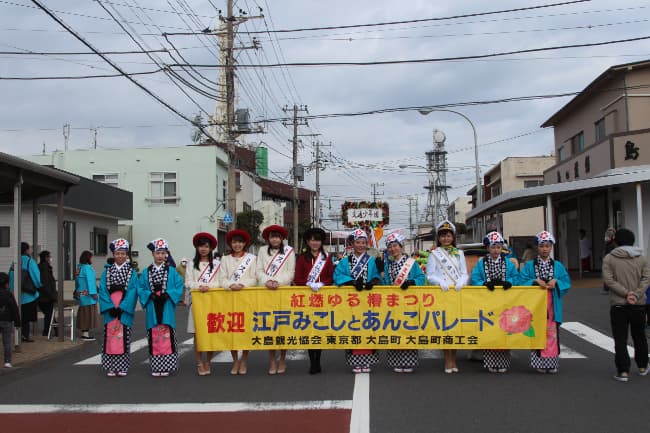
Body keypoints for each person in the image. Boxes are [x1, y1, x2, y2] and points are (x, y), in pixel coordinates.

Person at [518, 231, 571, 374]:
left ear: (551, 247)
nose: (545, 249)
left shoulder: (558, 266)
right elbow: (521, 282)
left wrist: (556, 281)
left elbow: (566, 282)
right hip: (536, 303)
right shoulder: (530, 265)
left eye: (547, 246)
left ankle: (552, 362)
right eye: (541, 246)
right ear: (537, 247)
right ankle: (539, 362)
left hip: (552, 302)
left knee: (552, 331)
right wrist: (534, 281)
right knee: (536, 330)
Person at [601, 228, 650, 382]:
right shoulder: (642, 258)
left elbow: (608, 280)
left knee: (620, 338)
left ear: (616, 241)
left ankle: (623, 371)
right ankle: (642, 366)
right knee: (639, 336)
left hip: (618, 304)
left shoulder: (609, 258)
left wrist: (625, 293)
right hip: (638, 303)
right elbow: (646, 279)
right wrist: (635, 294)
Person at [470, 231, 520, 373]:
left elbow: (516, 277)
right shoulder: (481, 263)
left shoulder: (508, 263)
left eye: (498, 247)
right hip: (487, 301)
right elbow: (475, 278)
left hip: (505, 301)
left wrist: (508, 282)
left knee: (504, 328)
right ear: (488, 248)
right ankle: (491, 360)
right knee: (490, 328)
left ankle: (503, 360)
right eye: (493, 247)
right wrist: (484, 284)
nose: (496, 250)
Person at [334, 228, 382, 373]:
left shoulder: (371, 260)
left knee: (368, 327)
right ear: (352, 244)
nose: (360, 245)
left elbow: (377, 277)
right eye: (358, 242)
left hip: (368, 299)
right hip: (351, 300)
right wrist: (352, 282)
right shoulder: (345, 261)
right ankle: (355, 361)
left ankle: (367, 361)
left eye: (363, 242)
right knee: (353, 328)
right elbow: (338, 276)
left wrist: (372, 281)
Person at [426, 220, 469, 373]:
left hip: (456, 293)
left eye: (448, 235)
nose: (446, 238)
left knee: (456, 327)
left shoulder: (460, 253)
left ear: (453, 237)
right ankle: (447, 360)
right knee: (445, 327)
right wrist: (439, 282)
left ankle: (454, 359)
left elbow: (464, 272)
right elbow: (430, 274)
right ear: (438, 238)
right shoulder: (434, 254)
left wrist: (462, 282)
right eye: (443, 236)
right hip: (442, 293)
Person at [138, 238, 184, 377]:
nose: (160, 255)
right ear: (153, 254)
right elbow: (140, 287)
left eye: (163, 253)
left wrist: (168, 294)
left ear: (166, 255)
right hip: (152, 305)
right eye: (157, 253)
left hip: (166, 305)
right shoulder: (146, 272)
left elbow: (179, 286)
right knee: (154, 335)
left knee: (167, 334)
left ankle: (168, 365)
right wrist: (149, 294)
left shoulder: (172, 271)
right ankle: (156, 366)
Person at [294, 227, 334, 374]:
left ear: (321, 241)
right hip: (307, 299)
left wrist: (322, 283)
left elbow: (331, 276)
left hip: (323, 298)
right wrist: (308, 283)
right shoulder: (302, 258)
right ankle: (313, 361)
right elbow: (297, 278)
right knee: (310, 329)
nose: (314, 242)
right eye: (311, 240)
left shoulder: (327, 258)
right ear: (307, 241)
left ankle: (318, 359)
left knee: (320, 329)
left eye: (317, 239)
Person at [256, 225, 295, 375]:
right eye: (272, 236)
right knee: (270, 326)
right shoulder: (261, 251)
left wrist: (278, 282)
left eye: (277, 236)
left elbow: (291, 272)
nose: (275, 239)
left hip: (283, 291)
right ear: (268, 238)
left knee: (283, 326)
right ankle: (272, 360)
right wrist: (267, 281)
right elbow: (258, 270)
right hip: (267, 291)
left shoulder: (289, 251)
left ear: (282, 238)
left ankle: (283, 359)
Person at [383, 232, 425, 373]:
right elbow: (386, 283)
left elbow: (421, 278)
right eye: (390, 247)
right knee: (395, 329)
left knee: (408, 330)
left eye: (395, 246)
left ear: (401, 247)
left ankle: (409, 361)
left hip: (409, 302)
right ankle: (396, 360)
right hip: (394, 303)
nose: (393, 249)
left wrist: (413, 281)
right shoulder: (387, 265)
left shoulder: (411, 263)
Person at [218, 229, 257, 375]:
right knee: (232, 330)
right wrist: (230, 285)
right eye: (234, 242)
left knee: (245, 330)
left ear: (245, 243)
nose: (237, 245)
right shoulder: (224, 259)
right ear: (231, 243)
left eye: (240, 242)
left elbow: (254, 278)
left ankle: (244, 360)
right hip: (229, 298)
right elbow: (221, 278)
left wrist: (242, 285)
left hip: (245, 297)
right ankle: (235, 361)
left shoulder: (252, 258)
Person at [98, 239, 139, 377]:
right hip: (111, 307)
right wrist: (109, 306)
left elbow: (133, 290)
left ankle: (122, 366)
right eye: (118, 253)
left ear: (127, 255)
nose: (120, 256)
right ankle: (110, 366)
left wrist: (123, 306)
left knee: (124, 336)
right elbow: (103, 289)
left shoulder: (131, 272)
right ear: (113, 254)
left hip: (123, 307)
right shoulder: (107, 271)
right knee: (109, 336)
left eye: (123, 253)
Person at [186, 232, 220, 376]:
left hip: (212, 303)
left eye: (206, 246)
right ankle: (199, 362)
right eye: (201, 246)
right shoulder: (191, 264)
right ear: (197, 248)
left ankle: (208, 362)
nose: (203, 249)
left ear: (211, 248)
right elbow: (188, 282)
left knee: (210, 333)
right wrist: (200, 286)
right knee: (198, 335)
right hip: (197, 303)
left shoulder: (218, 264)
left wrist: (209, 287)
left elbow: (220, 282)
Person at [8, 242, 41, 342]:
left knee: (19, 315)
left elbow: (10, 275)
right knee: (27, 317)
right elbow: (36, 277)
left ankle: (20, 335)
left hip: (16, 293)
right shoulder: (29, 261)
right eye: (30, 248)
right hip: (28, 294)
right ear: (26, 250)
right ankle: (25, 335)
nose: (31, 250)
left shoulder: (15, 262)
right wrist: (38, 286)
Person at [75, 250, 99, 342]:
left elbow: (77, 282)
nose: (92, 259)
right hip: (88, 295)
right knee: (88, 315)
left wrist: (76, 291)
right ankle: (85, 334)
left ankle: (84, 333)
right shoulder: (88, 268)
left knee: (83, 314)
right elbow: (90, 282)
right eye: (91, 257)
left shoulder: (79, 268)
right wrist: (94, 293)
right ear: (88, 258)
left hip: (81, 293)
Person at [0, 272, 20, 368]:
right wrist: (17, 322)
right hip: (7, 320)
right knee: (7, 342)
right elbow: (14, 309)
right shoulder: (9, 294)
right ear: (6, 284)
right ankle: (7, 362)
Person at [37, 250, 57, 337]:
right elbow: (46, 283)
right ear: (46, 258)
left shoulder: (41, 267)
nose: (50, 259)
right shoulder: (45, 268)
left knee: (50, 314)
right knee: (49, 314)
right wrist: (52, 295)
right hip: (46, 296)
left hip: (43, 296)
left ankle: (56, 330)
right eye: (49, 257)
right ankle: (47, 332)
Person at [602, 228, 617, 294]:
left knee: (609, 274)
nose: (606, 237)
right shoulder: (608, 244)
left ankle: (609, 288)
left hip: (610, 261)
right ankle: (607, 288)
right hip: (608, 260)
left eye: (608, 236)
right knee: (608, 274)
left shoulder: (613, 244)